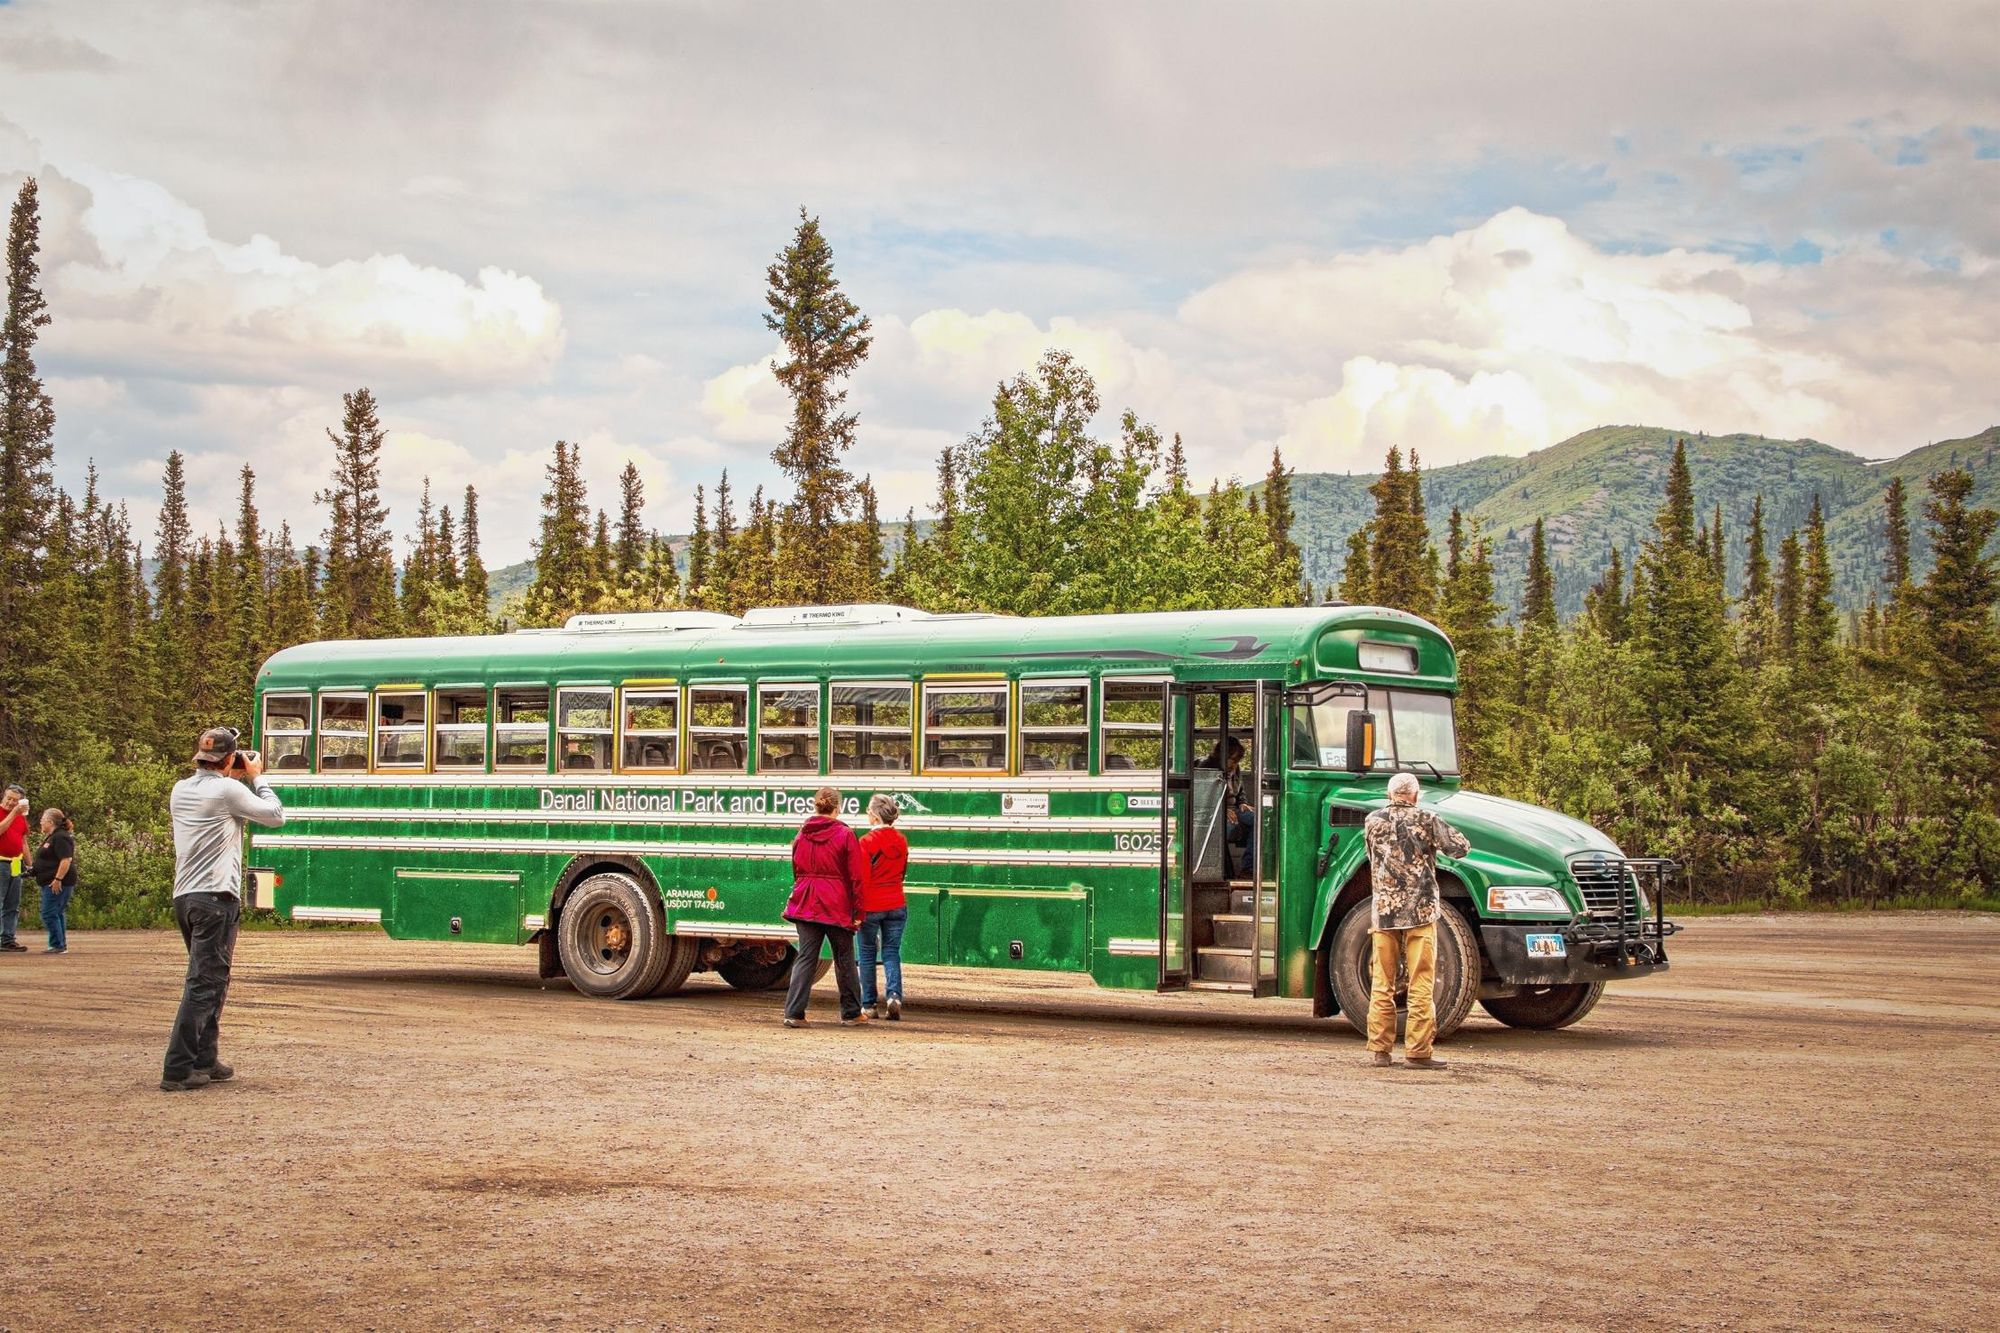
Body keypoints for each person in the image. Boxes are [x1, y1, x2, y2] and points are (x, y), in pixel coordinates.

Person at [161, 726, 285, 1092]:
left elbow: (216, 794)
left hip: (186, 897)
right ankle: (178, 1068)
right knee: (204, 983)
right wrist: (258, 778)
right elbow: (275, 815)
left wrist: (233, 773)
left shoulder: (180, 789)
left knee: (211, 979)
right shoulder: (230, 790)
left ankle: (204, 1058)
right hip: (217, 898)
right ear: (230, 759)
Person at [1361, 771, 1469, 1070]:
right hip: (1420, 911)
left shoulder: (1372, 820)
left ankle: (1380, 1051)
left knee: (1382, 981)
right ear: (1416, 795)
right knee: (1421, 980)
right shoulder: (1428, 819)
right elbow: (1460, 847)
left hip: (1383, 912)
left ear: (1389, 794)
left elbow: (1371, 856)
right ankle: (1418, 1052)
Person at [780, 786, 868, 1028]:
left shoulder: (802, 834)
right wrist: (859, 912)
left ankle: (794, 1013)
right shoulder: (845, 834)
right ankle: (851, 1013)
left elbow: (796, 869)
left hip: (806, 901)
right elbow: (856, 877)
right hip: (836, 904)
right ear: (837, 808)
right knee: (844, 958)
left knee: (806, 956)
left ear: (816, 806)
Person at [856, 793, 910, 1020]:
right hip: (897, 902)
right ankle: (894, 996)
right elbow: (903, 872)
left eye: (869, 811)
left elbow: (861, 878)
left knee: (867, 954)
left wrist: (856, 909)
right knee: (891, 952)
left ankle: (868, 1004)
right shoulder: (901, 840)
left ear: (876, 816)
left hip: (871, 905)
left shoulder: (866, 842)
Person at [30, 807, 76, 955]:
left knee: (49, 912)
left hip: (57, 882)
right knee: (56, 912)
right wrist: (33, 871)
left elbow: (66, 859)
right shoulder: (52, 837)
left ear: (50, 822)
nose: (41, 822)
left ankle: (57, 944)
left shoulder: (61, 837)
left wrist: (57, 879)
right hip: (49, 880)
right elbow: (48, 859)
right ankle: (59, 943)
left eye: (42, 820)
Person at [0, 784, 27, 953]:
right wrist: (12, 814)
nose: (11, 802)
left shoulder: (21, 817)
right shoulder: (10, 814)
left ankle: (8, 939)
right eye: (9, 798)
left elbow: (23, 841)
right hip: (0, 862)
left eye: (15, 800)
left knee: (12, 904)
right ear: (3, 796)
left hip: (16, 863)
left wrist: (31, 865)